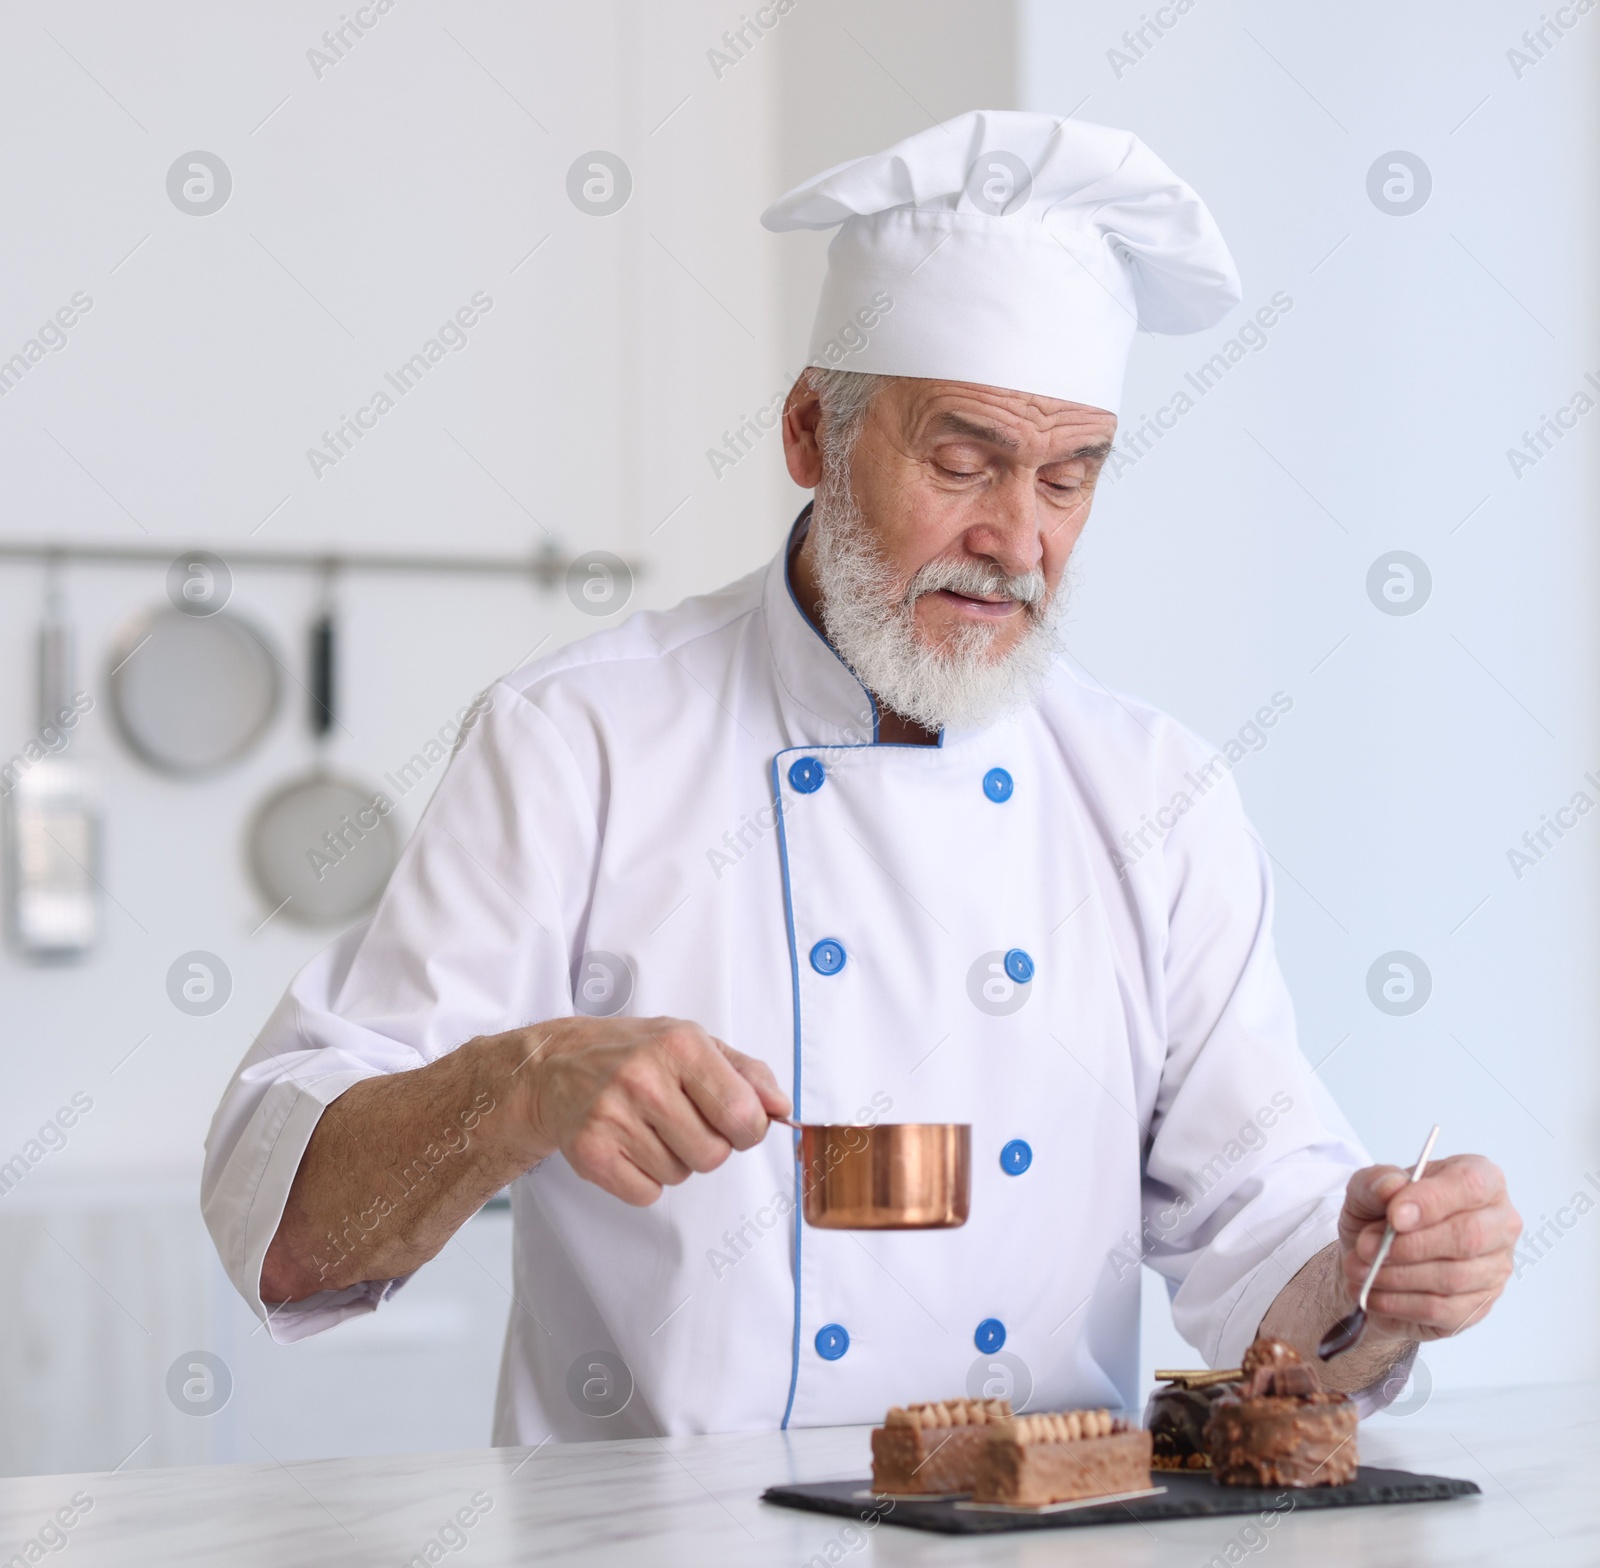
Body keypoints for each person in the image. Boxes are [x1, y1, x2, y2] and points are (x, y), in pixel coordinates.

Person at [203, 111, 1520, 1443]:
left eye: (1069, 482)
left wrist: (1379, 1276)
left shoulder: (1157, 794)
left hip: (1045, 1533)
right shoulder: (580, 740)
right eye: (962, 463)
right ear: (806, 434)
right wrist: (517, 1085)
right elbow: (292, 1237)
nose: (1016, 540)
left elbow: (1267, 1255)